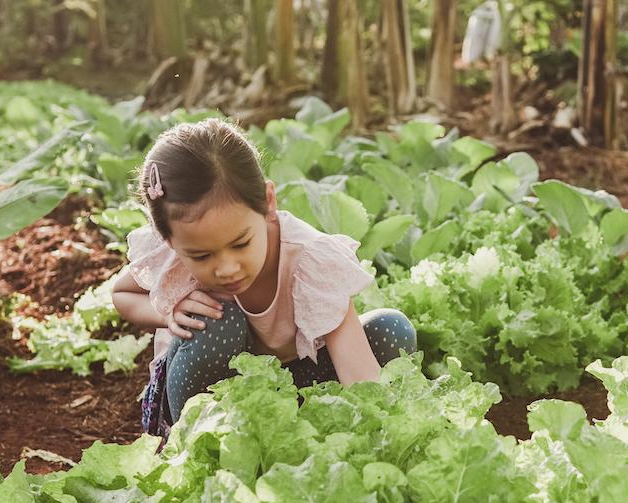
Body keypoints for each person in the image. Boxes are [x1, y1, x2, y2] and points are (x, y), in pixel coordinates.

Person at [112, 118, 416, 438]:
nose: (227, 268)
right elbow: (123, 295)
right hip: (208, 400)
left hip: (289, 385)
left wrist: (385, 434)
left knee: (390, 330)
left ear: (268, 203)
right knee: (216, 319)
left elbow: (358, 371)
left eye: (241, 243)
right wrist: (168, 311)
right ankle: (192, 447)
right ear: (168, 238)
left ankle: (293, 438)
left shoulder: (309, 260)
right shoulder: (178, 243)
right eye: (201, 256)